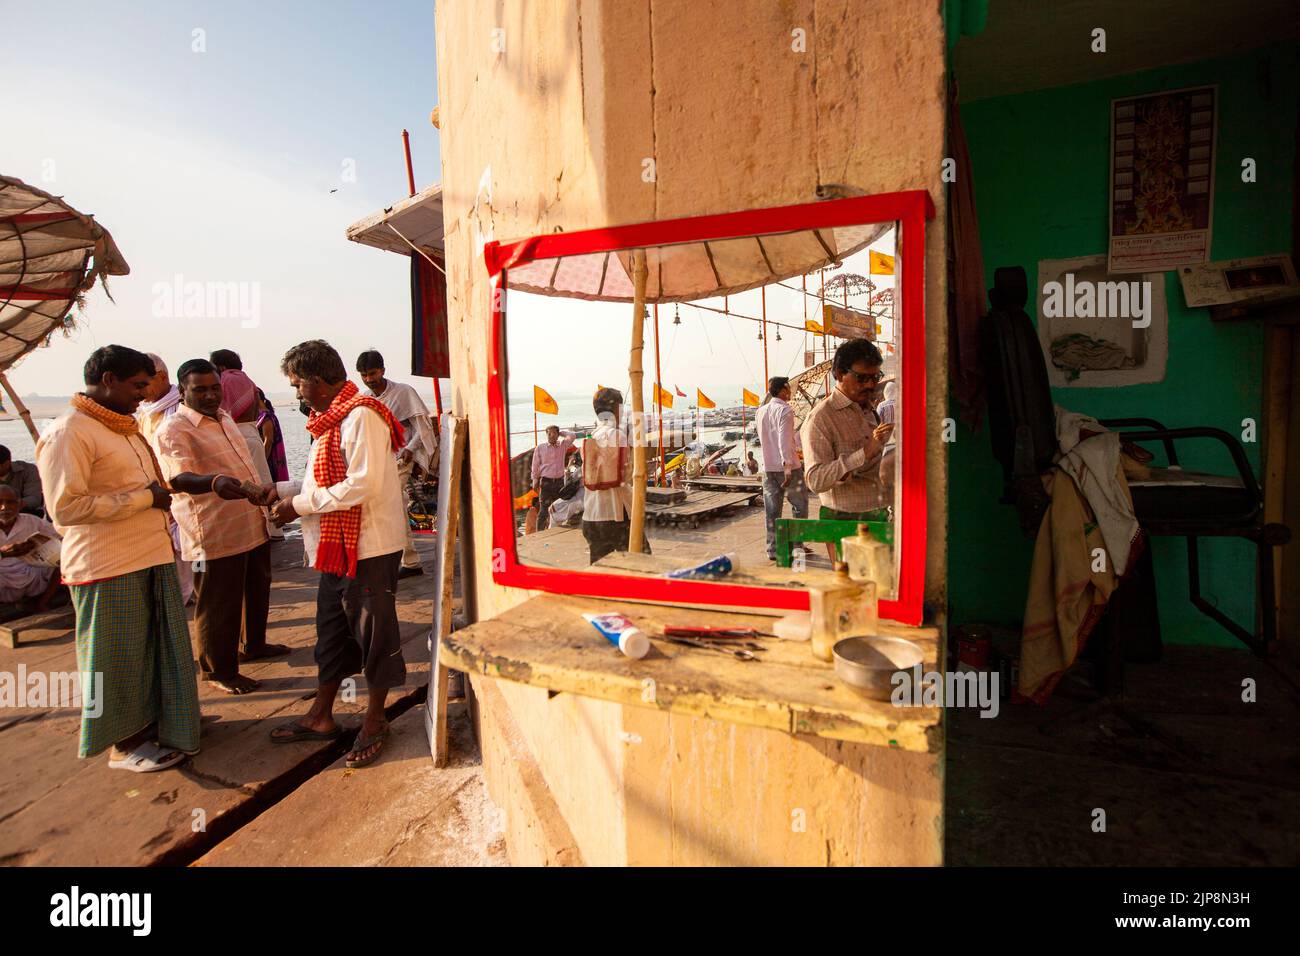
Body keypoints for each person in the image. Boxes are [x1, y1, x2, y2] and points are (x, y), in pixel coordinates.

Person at [35, 345, 200, 773]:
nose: (144, 395)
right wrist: (144, 498)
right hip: (106, 565)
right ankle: (125, 744)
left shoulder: (123, 428)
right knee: (118, 658)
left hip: (149, 555)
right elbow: (65, 509)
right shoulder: (69, 431)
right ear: (108, 380)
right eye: (138, 386)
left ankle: (165, 724)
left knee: (158, 650)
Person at [268, 340, 408, 769]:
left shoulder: (362, 416)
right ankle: (321, 716)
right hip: (338, 549)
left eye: (297, 385)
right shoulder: (331, 420)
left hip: (368, 548)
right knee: (331, 633)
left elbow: (361, 485)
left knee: (374, 637)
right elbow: (321, 483)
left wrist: (298, 505)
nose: (296, 395)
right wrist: (280, 493)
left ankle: (375, 717)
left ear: (318, 381)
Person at [156, 359, 290, 696]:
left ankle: (254, 645)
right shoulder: (174, 429)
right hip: (213, 532)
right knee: (218, 603)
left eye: (214, 387)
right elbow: (176, 477)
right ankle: (219, 671)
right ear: (182, 391)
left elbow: (244, 464)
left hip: (250, 521)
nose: (210, 395)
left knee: (256, 589)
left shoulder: (225, 418)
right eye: (200, 389)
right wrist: (213, 482)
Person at [356, 349, 436, 578]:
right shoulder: (366, 398)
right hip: (379, 460)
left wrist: (410, 448)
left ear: (382, 370)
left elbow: (423, 427)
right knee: (391, 508)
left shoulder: (403, 392)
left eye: (372, 373)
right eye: (364, 375)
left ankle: (409, 561)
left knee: (394, 505)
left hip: (402, 458)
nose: (369, 379)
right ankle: (404, 559)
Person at [802, 339, 894, 527]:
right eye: (862, 378)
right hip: (845, 520)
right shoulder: (821, 418)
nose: (870, 385)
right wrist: (864, 453)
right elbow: (815, 480)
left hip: (881, 512)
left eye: (875, 378)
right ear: (839, 374)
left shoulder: (869, 410)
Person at [136, 354, 193, 605]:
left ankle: (190, 593)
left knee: (188, 546)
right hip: (156, 489)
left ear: (161, 377)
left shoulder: (182, 408)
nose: (139, 391)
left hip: (182, 487)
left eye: (143, 383)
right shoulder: (143, 412)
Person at [211, 349, 282, 540]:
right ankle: (274, 528)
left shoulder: (227, 380)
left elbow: (222, 412)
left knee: (247, 487)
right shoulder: (249, 381)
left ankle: (256, 531)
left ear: (221, 366)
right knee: (263, 483)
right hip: (252, 433)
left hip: (239, 435)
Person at [581, 387, 650, 564]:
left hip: (591, 516)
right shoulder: (618, 436)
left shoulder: (589, 438)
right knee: (642, 563)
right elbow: (627, 475)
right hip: (617, 516)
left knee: (600, 572)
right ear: (616, 409)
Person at [755, 376, 810, 561]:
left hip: (768, 467)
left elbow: (766, 439)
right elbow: (783, 440)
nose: (790, 391)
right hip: (789, 468)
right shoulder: (785, 411)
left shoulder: (760, 411)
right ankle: (797, 545)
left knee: (772, 510)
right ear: (781, 390)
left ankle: (772, 549)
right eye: (788, 388)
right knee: (800, 507)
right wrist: (787, 467)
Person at [0, 485, 61, 609]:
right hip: (2, 576)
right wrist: (4, 553)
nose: (4, 507)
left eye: (10, 502)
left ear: (20, 504)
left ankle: (43, 603)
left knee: (64, 563)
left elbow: (59, 536)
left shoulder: (32, 521)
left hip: (31, 570)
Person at [531, 425, 576, 531]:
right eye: (549, 433)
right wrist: (535, 480)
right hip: (546, 482)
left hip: (559, 482)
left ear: (558, 434)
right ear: (546, 434)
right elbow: (535, 465)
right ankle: (539, 533)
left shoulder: (562, 445)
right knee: (543, 510)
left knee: (558, 508)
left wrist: (560, 433)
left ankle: (556, 531)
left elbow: (572, 435)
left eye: (554, 433)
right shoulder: (540, 448)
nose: (551, 435)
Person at [255, 388, 290, 483]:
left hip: (270, 461)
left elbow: (268, 440)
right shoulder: (261, 416)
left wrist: (262, 463)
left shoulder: (266, 416)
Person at [0, 445, 43, 515]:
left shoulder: (28, 470)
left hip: (25, 514)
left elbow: (34, 498)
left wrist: (12, 505)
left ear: (7, 463)